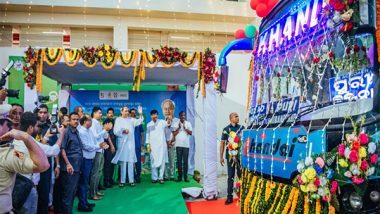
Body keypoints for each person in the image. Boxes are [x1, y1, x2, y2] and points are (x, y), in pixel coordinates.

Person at [0, 104, 50, 214]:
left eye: (19, 114)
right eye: (8, 123)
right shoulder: (8, 152)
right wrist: (26, 137)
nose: (16, 117)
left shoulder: (10, 147)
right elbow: (43, 164)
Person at [13, 112, 64, 214]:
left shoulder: (14, 140)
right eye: (36, 126)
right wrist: (61, 134)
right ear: (31, 128)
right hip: (28, 187)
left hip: (15, 184)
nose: (38, 128)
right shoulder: (31, 142)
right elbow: (53, 150)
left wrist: (45, 137)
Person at [78, 114, 109, 211]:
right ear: (84, 121)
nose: (91, 122)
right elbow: (86, 146)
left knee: (86, 181)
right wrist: (99, 146)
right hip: (85, 159)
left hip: (90, 158)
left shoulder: (89, 130)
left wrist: (101, 144)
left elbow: (93, 142)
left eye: (91, 120)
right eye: (89, 120)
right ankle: (82, 204)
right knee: (83, 182)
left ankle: (85, 202)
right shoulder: (81, 132)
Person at [112, 106, 144, 187]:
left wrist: (140, 113)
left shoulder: (131, 120)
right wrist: (123, 131)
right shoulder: (118, 120)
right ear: (121, 111)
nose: (126, 112)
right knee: (123, 162)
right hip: (122, 144)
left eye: (127, 111)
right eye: (125, 111)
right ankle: (122, 181)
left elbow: (140, 121)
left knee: (130, 162)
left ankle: (131, 180)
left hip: (130, 144)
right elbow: (115, 131)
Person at [60, 112, 83, 214]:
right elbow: (62, 149)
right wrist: (68, 164)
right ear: (69, 120)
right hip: (69, 168)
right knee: (68, 195)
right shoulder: (66, 132)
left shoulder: (76, 131)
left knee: (73, 193)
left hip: (76, 167)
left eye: (77, 119)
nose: (76, 121)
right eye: (73, 119)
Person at [220, 112, 244, 205]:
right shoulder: (226, 129)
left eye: (238, 116)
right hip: (230, 157)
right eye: (236, 116)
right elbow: (222, 143)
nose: (238, 118)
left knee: (240, 176)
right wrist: (221, 157)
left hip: (239, 157)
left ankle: (241, 196)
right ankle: (229, 197)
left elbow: (245, 141)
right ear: (231, 119)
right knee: (230, 177)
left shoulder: (241, 128)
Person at [89, 107, 113, 199]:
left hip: (101, 149)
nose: (101, 114)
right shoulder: (93, 123)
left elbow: (104, 136)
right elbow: (95, 136)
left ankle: (96, 191)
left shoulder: (98, 123)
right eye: (99, 113)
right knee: (95, 172)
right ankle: (92, 193)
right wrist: (104, 130)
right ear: (94, 113)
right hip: (96, 150)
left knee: (99, 172)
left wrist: (106, 130)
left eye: (101, 113)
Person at [146, 109, 170, 184]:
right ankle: (154, 178)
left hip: (161, 146)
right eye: (153, 114)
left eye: (156, 114)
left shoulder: (162, 122)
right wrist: (148, 145)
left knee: (162, 162)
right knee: (153, 162)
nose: (155, 116)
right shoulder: (149, 124)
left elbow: (168, 123)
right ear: (151, 116)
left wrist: (169, 118)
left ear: (157, 115)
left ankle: (161, 177)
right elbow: (147, 135)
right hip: (153, 147)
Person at [53, 114, 70, 214]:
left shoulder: (66, 131)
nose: (68, 123)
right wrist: (58, 165)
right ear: (61, 121)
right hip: (58, 163)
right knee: (58, 188)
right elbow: (58, 150)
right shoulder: (60, 132)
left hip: (62, 163)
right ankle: (58, 209)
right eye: (66, 121)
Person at [172, 111, 192, 182]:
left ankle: (185, 177)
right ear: (179, 116)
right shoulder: (175, 124)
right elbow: (173, 134)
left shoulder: (188, 123)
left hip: (186, 146)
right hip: (178, 145)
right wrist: (179, 128)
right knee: (179, 162)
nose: (183, 117)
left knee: (185, 162)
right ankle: (179, 177)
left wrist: (185, 128)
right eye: (181, 115)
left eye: (184, 115)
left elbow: (190, 133)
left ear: (185, 116)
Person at [162, 99, 178, 181]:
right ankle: (165, 175)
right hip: (164, 144)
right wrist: (165, 142)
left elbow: (176, 132)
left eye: (170, 109)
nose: (167, 111)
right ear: (162, 110)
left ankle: (171, 175)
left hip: (172, 143)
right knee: (165, 160)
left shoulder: (177, 121)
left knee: (172, 160)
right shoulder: (161, 122)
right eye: (165, 109)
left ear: (173, 110)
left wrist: (170, 141)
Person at [129, 108, 144, 183]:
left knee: (138, 162)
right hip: (129, 146)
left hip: (137, 145)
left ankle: (138, 176)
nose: (133, 114)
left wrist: (141, 144)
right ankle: (131, 176)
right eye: (131, 113)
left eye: (134, 113)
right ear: (129, 113)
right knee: (130, 162)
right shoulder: (127, 122)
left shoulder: (139, 122)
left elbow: (142, 134)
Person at [103, 108, 116, 188]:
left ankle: (110, 179)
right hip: (108, 146)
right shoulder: (106, 122)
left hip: (114, 145)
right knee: (107, 164)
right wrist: (111, 146)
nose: (111, 114)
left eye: (112, 113)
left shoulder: (114, 122)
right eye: (109, 113)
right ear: (107, 114)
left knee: (112, 164)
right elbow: (107, 136)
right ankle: (106, 181)